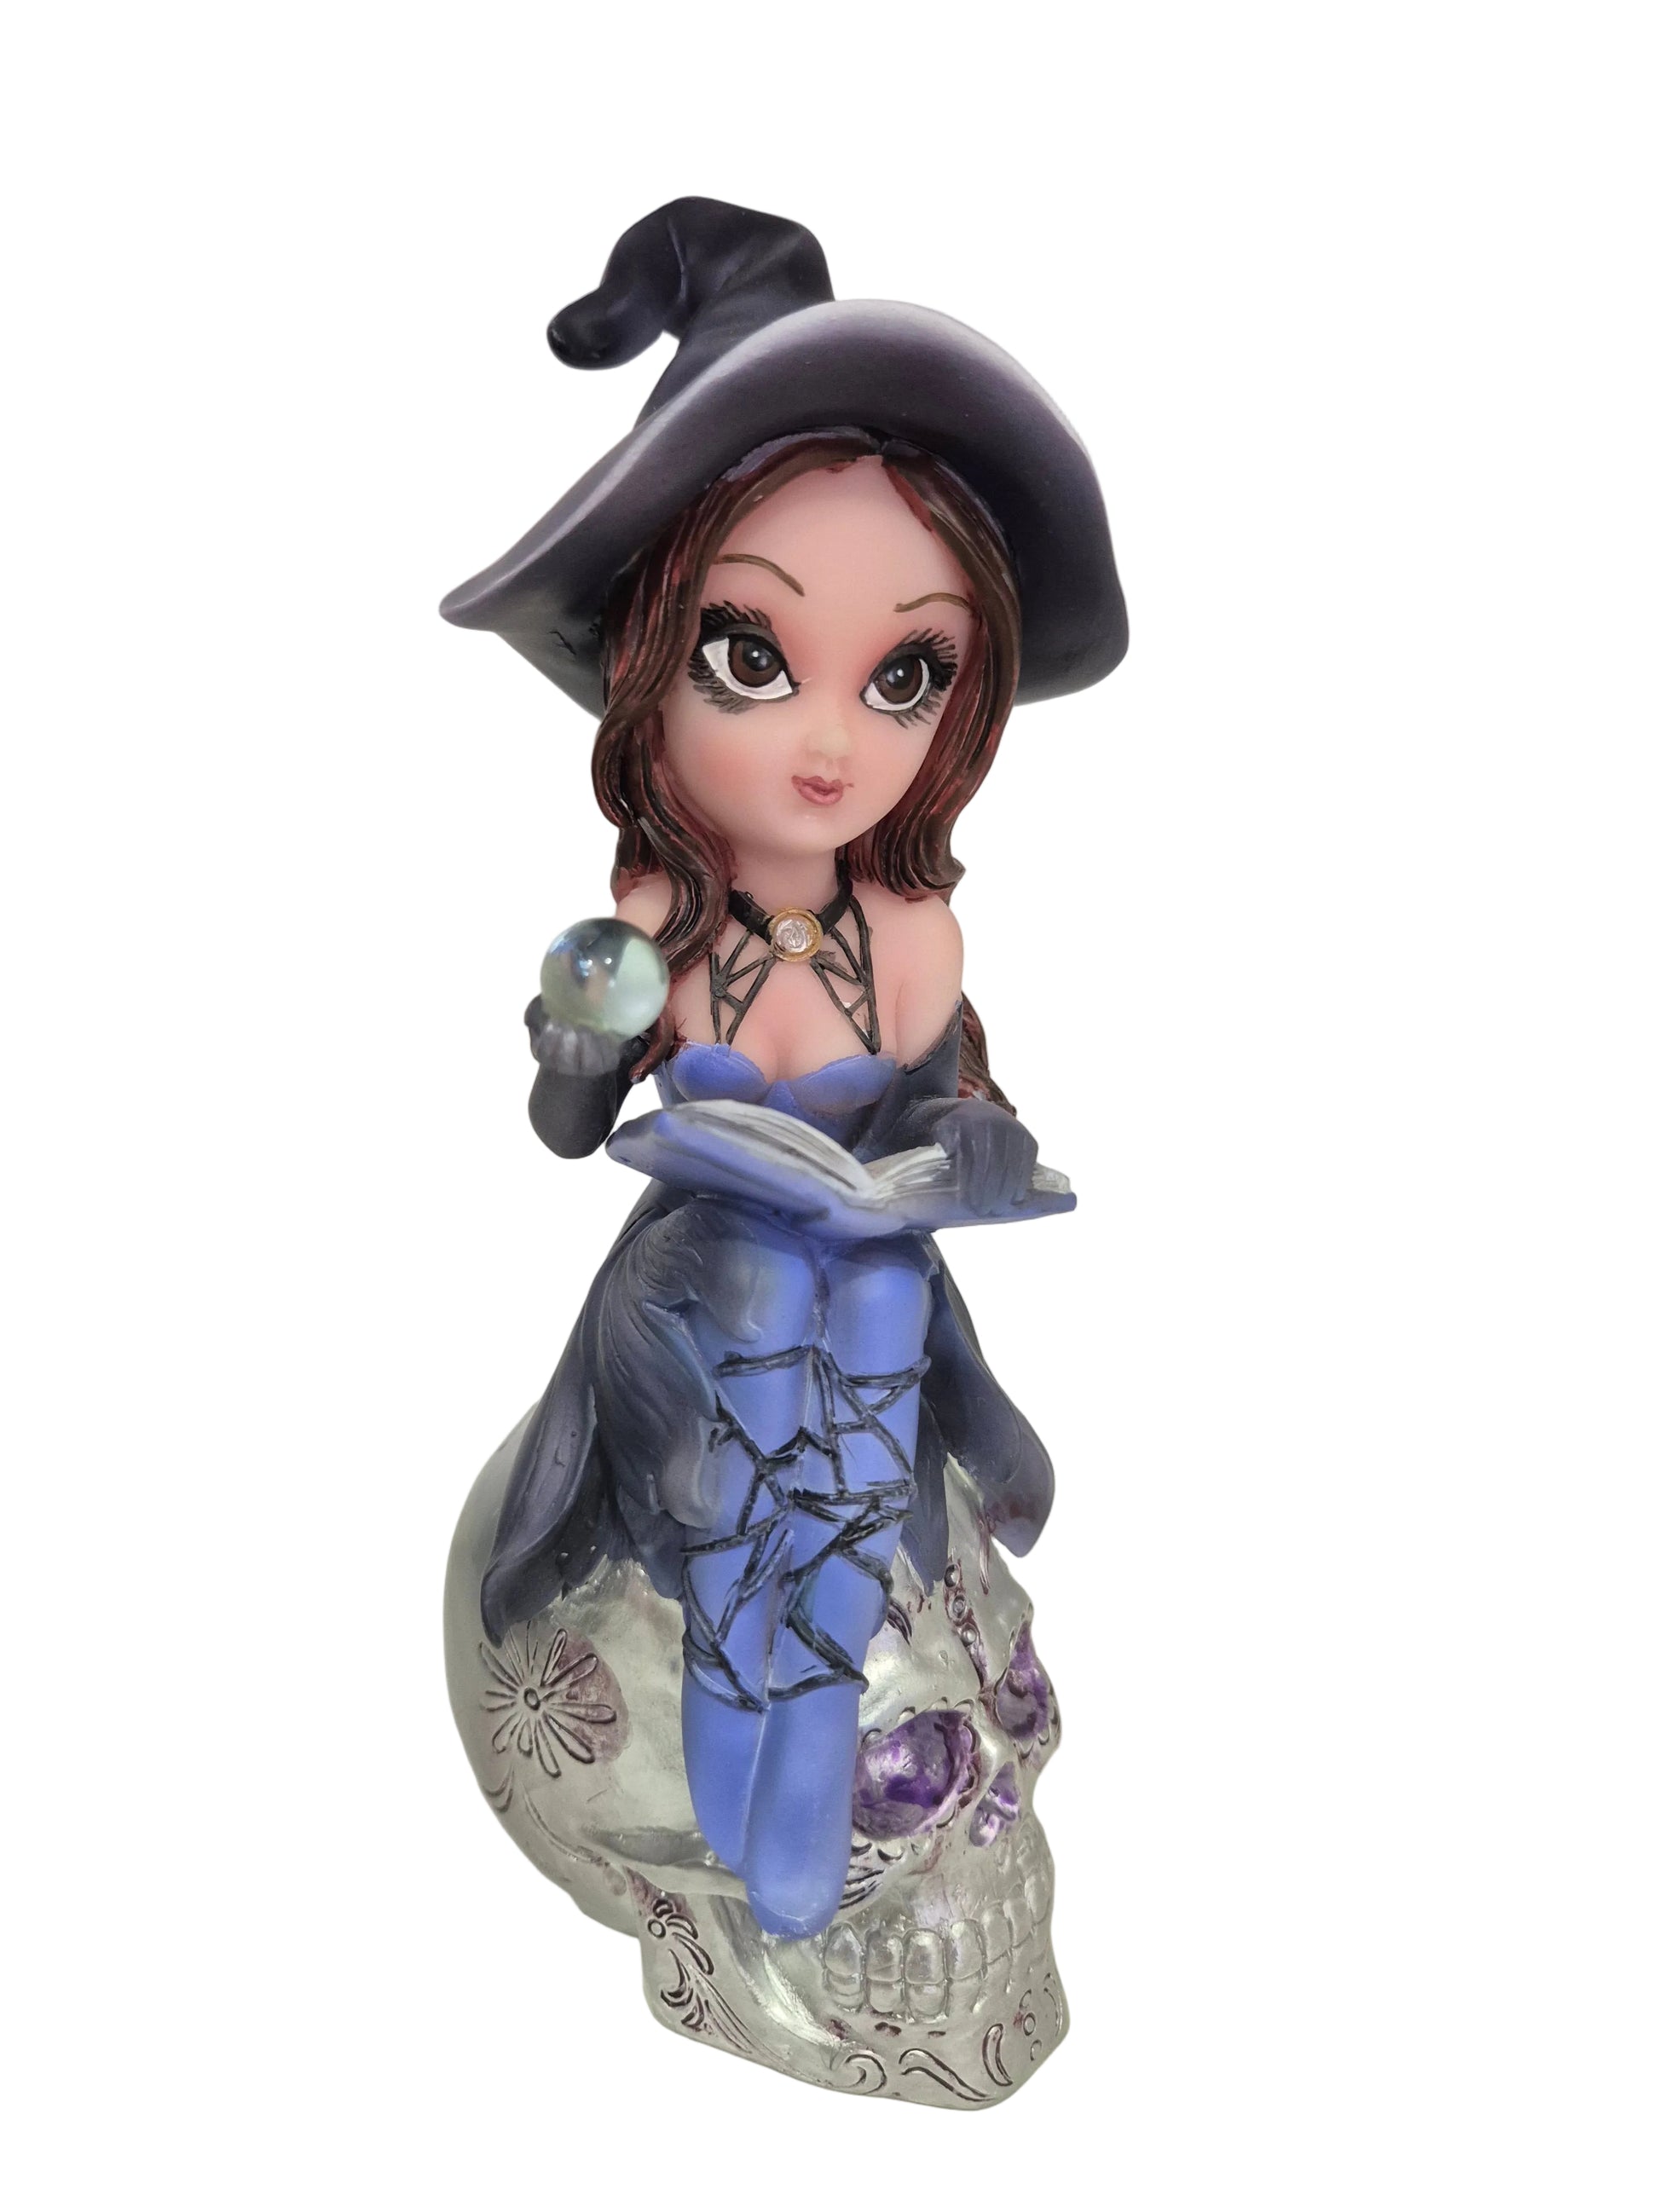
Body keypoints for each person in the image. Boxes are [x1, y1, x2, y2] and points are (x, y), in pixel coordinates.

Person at [442, 199, 1128, 1938]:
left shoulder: (912, 938)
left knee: (859, 1484)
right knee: (740, 1496)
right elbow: (565, 1124)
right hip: (704, 1304)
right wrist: (574, 1044)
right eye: (751, 657)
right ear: (645, 657)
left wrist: (978, 1145)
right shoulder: (644, 930)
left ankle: (807, 1835)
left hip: (876, 1306)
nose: (831, 742)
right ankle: (738, 1814)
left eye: (905, 675)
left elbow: (955, 1114)